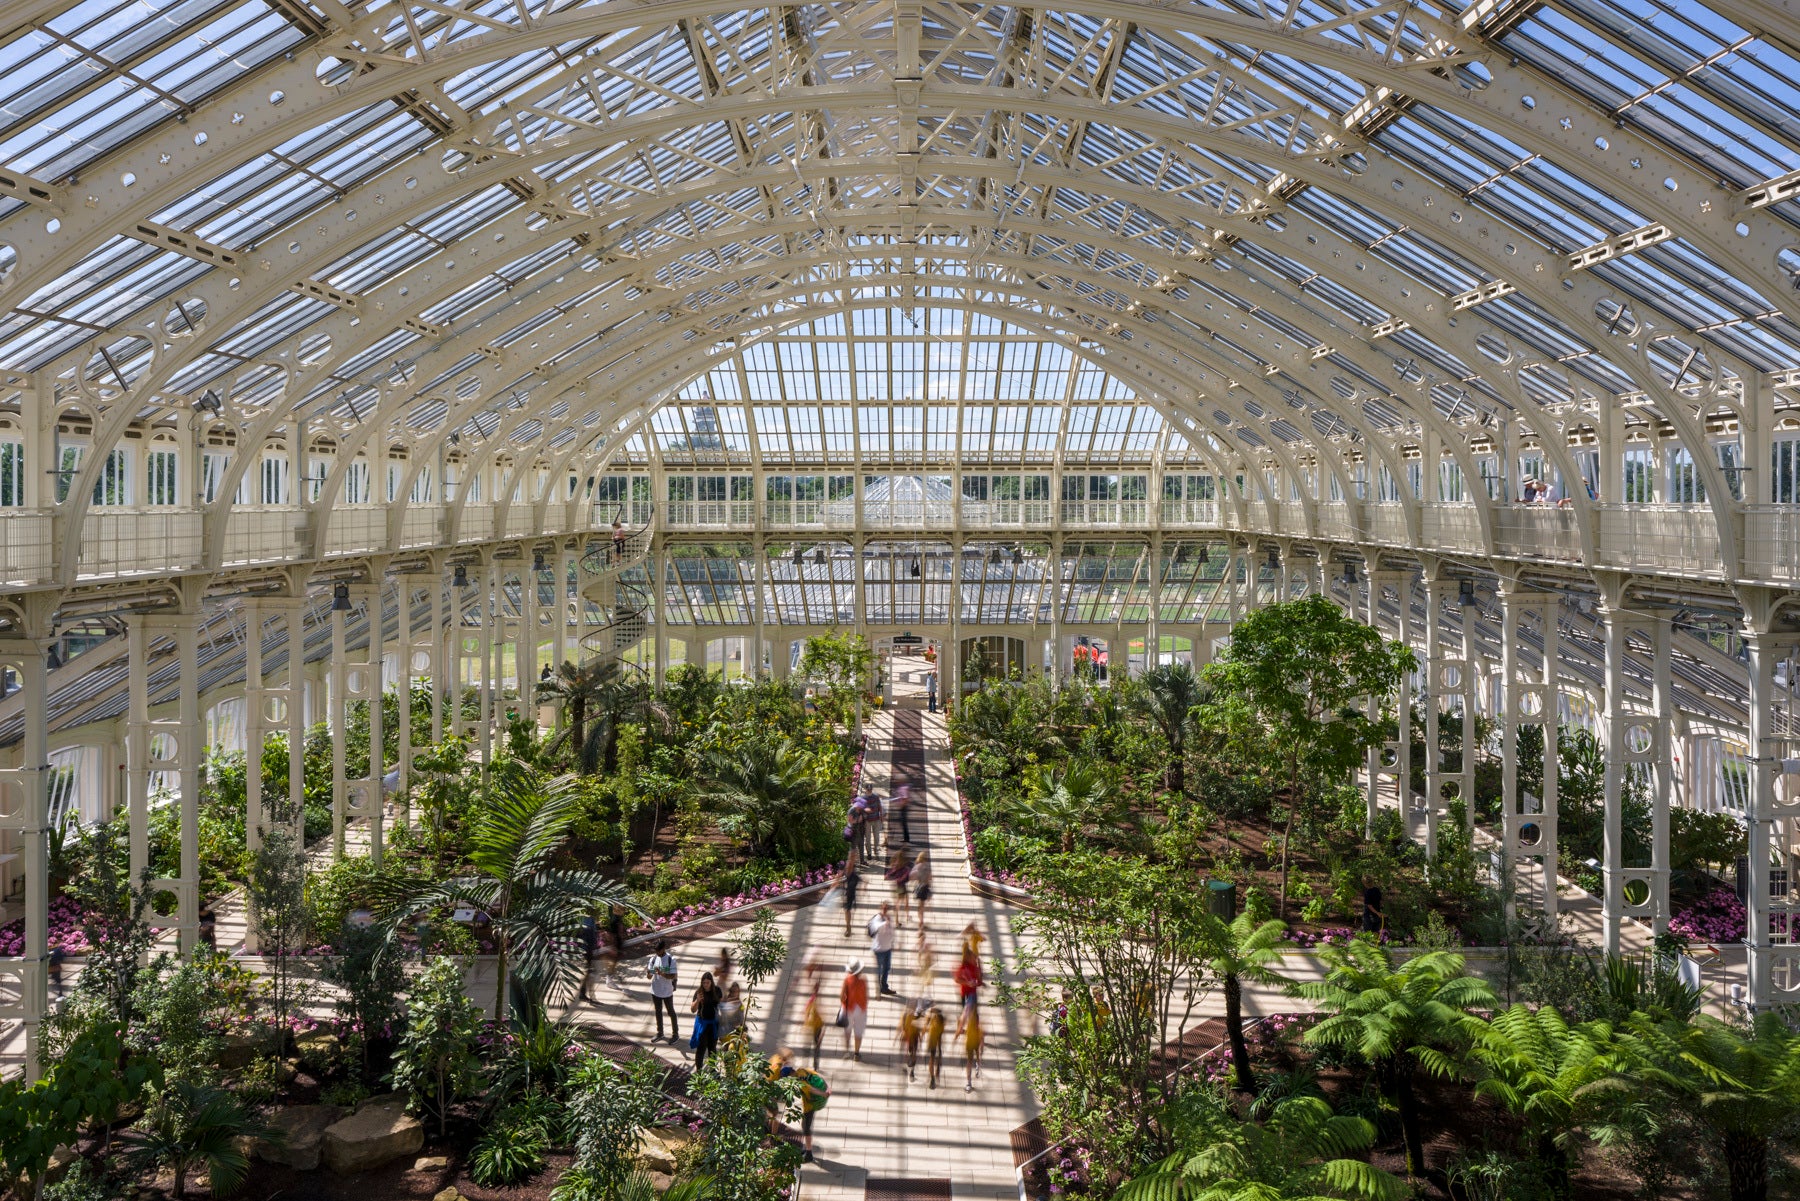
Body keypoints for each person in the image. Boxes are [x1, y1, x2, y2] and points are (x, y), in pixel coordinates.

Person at [647, 938, 679, 1041]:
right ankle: (660, 1032)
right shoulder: (653, 959)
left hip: (667, 991)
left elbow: (672, 976)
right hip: (655, 990)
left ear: (663, 948)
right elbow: (648, 976)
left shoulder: (671, 959)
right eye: (655, 950)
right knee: (658, 1012)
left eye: (658, 950)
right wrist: (649, 972)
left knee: (671, 1012)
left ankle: (675, 1034)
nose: (657, 952)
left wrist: (661, 973)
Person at [690, 970, 722, 1072]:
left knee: (712, 1048)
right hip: (702, 1024)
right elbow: (692, 1010)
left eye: (707, 982)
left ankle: (713, 1069)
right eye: (703, 983)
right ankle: (699, 1071)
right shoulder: (699, 992)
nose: (705, 985)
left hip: (713, 1024)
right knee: (701, 1048)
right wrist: (697, 1000)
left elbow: (721, 1005)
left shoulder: (717, 990)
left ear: (711, 982)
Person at [840, 960, 869, 1060]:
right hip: (860, 1009)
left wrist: (844, 1003)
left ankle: (847, 1052)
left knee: (847, 1031)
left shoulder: (847, 980)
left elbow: (841, 996)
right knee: (858, 1032)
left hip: (848, 1008)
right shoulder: (863, 981)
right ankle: (856, 1054)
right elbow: (866, 996)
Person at [868, 902, 898, 996]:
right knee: (879, 970)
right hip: (879, 949)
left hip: (887, 948)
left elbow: (892, 931)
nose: (885, 910)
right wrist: (886, 922)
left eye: (886, 908)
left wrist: (893, 943)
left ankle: (884, 988)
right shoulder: (877, 918)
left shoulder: (888, 918)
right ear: (880, 908)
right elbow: (875, 927)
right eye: (883, 908)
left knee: (886, 968)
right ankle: (878, 989)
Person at [953, 948, 983, 1036]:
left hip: (972, 993)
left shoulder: (975, 967)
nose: (975, 959)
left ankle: (975, 1029)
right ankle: (961, 1028)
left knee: (974, 1012)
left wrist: (979, 967)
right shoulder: (962, 968)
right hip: (964, 993)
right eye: (973, 958)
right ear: (968, 958)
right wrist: (967, 983)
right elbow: (957, 979)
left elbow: (979, 980)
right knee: (964, 1011)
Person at [900, 996, 927, 1080]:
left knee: (912, 1053)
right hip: (909, 1037)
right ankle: (907, 1068)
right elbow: (902, 1025)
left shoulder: (917, 1015)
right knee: (908, 1052)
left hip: (913, 1037)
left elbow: (922, 1027)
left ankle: (911, 1071)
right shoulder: (906, 1014)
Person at [802, 976, 827, 1068]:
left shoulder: (812, 1000)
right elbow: (809, 1013)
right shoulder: (814, 1001)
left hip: (815, 1026)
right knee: (815, 1047)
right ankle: (814, 1065)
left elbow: (807, 1013)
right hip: (815, 1027)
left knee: (813, 1047)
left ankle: (812, 1065)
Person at [884, 847, 913, 922]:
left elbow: (887, 875)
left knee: (897, 903)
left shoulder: (895, 866)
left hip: (895, 886)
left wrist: (892, 877)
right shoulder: (904, 867)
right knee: (905, 902)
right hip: (902, 886)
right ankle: (907, 916)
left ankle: (897, 920)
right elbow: (907, 875)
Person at [579, 912, 601, 1002]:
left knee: (588, 972)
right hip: (588, 950)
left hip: (584, 949)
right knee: (589, 973)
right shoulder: (591, 921)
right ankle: (589, 995)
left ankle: (583, 993)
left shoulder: (582, 919)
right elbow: (593, 937)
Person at [606, 905, 629, 987]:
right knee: (613, 964)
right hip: (615, 945)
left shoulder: (618, 919)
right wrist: (614, 947)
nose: (623, 911)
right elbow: (613, 934)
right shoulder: (615, 920)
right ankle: (610, 981)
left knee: (614, 964)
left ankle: (610, 980)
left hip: (617, 945)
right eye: (622, 909)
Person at [963, 1007, 985, 1092]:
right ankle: (969, 1082)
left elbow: (982, 1039)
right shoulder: (970, 1027)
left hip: (975, 1044)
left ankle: (977, 1066)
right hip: (970, 1045)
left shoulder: (978, 1029)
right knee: (970, 1061)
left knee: (976, 1058)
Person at [924, 1004, 946, 1088]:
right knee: (933, 1058)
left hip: (936, 1040)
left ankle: (935, 1074)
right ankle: (933, 1077)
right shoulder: (935, 1021)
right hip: (933, 1040)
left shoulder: (940, 1022)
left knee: (936, 1057)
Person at [911, 849, 933, 931]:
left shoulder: (917, 866)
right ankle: (921, 922)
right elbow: (930, 878)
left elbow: (912, 876)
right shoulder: (927, 867)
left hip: (919, 887)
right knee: (922, 907)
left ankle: (921, 921)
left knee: (920, 907)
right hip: (925, 888)